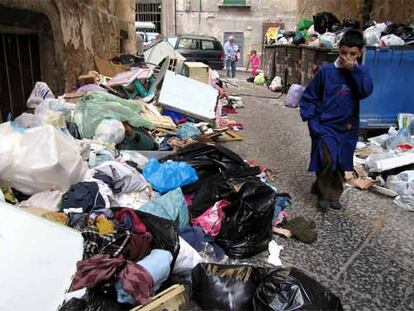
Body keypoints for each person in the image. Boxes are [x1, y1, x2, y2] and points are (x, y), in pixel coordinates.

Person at [299, 30, 373, 212]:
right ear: (338, 50)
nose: (347, 57)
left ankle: (333, 194)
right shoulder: (326, 71)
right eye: (344, 53)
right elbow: (310, 96)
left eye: (353, 54)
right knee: (326, 159)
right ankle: (323, 195)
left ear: (360, 53)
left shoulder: (362, 71)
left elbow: (365, 91)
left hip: (347, 128)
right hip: (325, 126)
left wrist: (353, 71)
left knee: (341, 162)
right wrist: (313, 122)